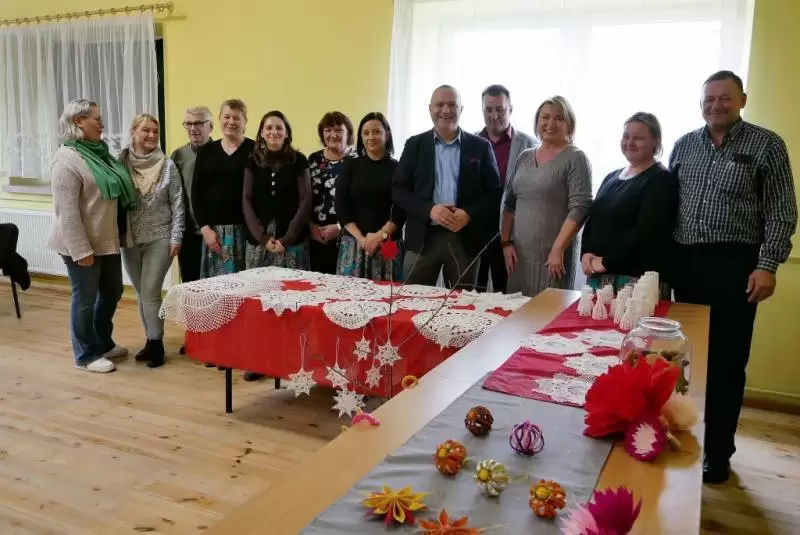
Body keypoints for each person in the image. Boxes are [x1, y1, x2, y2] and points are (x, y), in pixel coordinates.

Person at [669, 70, 798, 484]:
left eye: (725, 98)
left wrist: (767, 265)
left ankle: (718, 452)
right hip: (686, 264)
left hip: (735, 267)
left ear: (742, 99)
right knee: (684, 361)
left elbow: (782, 212)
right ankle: (681, 436)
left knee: (726, 364)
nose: (716, 105)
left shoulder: (766, 145)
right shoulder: (684, 145)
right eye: (708, 99)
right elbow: (669, 207)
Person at [47, 98, 136, 373]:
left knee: (112, 290)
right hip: (79, 243)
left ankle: (102, 342)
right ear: (78, 121)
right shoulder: (66, 160)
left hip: (105, 240)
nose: (102, 124)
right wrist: (80, 250)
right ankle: (85, 354)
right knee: (85, 299)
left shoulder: (100, 153)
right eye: (96, 119)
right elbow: (67, 213)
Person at [392, 85, 502, 289]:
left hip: (465, 240)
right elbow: (399, 191)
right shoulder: (414, 145)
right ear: (430, 109)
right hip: (422, 238)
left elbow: (494, 194)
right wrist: (430, 210)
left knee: (462, 303)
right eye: (440, 104)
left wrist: (468, 214)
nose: (446, 110)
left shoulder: (480, 146)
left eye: (452, 105)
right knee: (412, 300)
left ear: (461, 109)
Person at [501, 95, 592, 297]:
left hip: (553, 258)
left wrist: (558, 249)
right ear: (537, 121)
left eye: (559, 118)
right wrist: (505, 242)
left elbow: (580, 207)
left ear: (569, 124)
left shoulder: (575, 158)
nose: (550, 124)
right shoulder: (524, 156)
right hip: (518, 257)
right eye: (545, 117)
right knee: (515, 311)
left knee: (548, 311)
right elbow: (509, 202)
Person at [580, 112, 677, 297]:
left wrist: (606, 262)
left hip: (636, 282)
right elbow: (593, 219)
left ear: (655, 142)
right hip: (600, 275)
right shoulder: (611, 176)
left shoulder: (661, 179)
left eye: (638, 138)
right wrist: (586, 254)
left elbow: (646, 232)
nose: (630, 143)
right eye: (626, 136)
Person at [119, 114, 185, 368]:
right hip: (130, 238)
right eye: (145, 130)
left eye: (155, 131)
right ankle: (150, 340)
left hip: (160, 237)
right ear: (133, 132)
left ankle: (157, 344)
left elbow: (178, 204)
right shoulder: (121, 162)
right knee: (141, 293)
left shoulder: (167, 165)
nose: (151, 135)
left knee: (150, 291)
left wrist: (176, 236)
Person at [476, 84, 536, 293]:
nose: (494, 116)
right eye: (488, 110)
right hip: (477, 230)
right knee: (471, 293)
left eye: (500, 109)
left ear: (510, 109)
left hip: (512, 234)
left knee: (507, 294)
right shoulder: (470, 142)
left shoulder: (530, 145)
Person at [335, 112, 404, 281]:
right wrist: (362, 239)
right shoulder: (351, 166)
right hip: (354, 244)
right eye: (366, 133)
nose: (371, 137)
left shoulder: (398, 168)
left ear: (387, 135)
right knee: (349, 295)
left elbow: (401, 210)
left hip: (388, 244)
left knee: (388, 294)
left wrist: (380, 236)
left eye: (376, 132)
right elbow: (341, 206)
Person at [191, 99, 254, 278]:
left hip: (247, 233)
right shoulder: (206, 152)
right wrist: (205, 229)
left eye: (237, 118)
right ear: (219, 119)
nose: (231, 122)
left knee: (245, 287)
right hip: (214, 235)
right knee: (217, 288)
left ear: (245, 122)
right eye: (227, 117)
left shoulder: (256, 150)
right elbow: (196, 193)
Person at [243, 110, 312, 270]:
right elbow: (246, 199)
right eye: (269, 128)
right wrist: (262, 237)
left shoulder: (299, 160)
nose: (274, 132)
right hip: (259, 243)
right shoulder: (252, 160)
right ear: (262, 133)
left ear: (287, 133)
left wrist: (288, 238)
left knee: (293, 285)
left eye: (279, 128)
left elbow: (306, 199)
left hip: (293, 242)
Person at [308, 111, 357, 274]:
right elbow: (304, 197)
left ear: (348, 133)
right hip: (317, 236)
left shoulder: (359, 159)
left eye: (339, 130)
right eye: (328, 130)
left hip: (349, 237)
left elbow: (362, 202)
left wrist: (339, 227)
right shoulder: (313, 159)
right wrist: (311, 227)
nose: (333, 135)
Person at [171, 106, 213, 285]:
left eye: (198, 123)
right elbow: (172, 196)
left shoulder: (220, 152)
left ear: (211, 126)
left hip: (216, 233)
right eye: (188, 124)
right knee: (191, 287)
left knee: (217, 287)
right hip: (189, 234)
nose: (193, 128)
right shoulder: (178, 156)